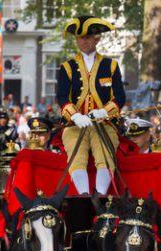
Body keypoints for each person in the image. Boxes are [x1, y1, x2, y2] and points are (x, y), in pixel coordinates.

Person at [56, 15, 126, 195]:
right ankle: (84, 196)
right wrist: (75, 115)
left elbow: (120, 97)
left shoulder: (110, 65)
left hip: (103, 124)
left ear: (97, 38)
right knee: (76, 156)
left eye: (86, 37)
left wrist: (104, 111)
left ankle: (100, 195)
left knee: (105, 156)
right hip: (75, 125)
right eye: (79, 38)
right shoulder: (67, 67)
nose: (82, 41)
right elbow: (62, 97)